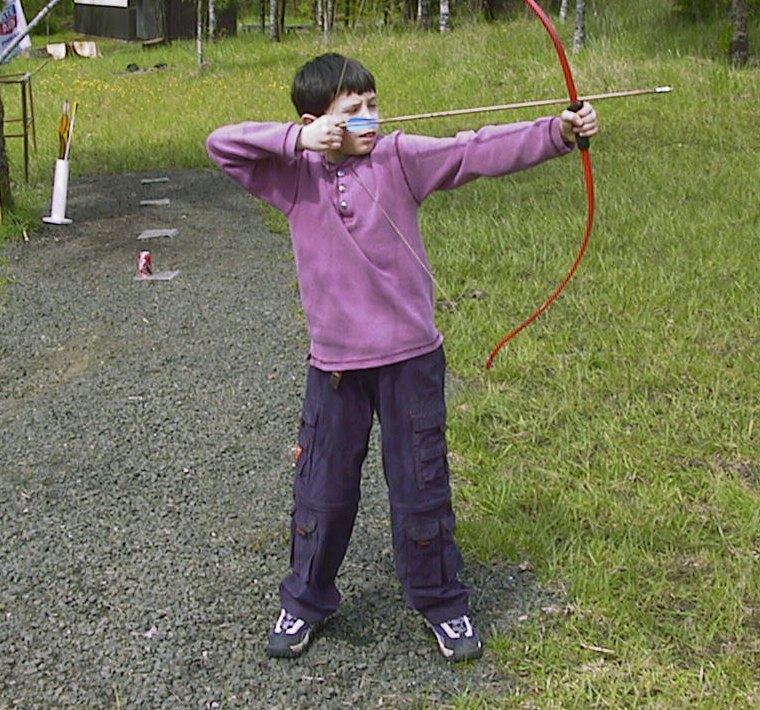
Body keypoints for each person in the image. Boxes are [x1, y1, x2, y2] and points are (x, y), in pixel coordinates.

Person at [206, 52, 599, 661]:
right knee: (322, 492)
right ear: (318, 122)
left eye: (373, 105)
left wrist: (558, 132)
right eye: (353, 110)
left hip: (411, 360)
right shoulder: (294, 177)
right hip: (336, 367)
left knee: (421, 488)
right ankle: (305, 600)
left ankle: (441, 601)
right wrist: (298, 141)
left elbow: (475, 150)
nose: (370, 118)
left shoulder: (399, 158)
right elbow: (222, 145)